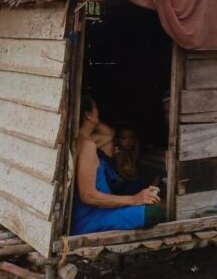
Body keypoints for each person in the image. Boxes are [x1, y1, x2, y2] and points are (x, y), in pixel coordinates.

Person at [70, 95, 164, 234]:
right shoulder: (87, 145)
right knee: (155, 211)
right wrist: (134, 199)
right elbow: (87, 195)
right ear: (88, 114)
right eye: (95, 108)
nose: (98, 111)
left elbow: (110, 134)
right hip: (93, 218)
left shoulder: (78, 139)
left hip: (95, 212)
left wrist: (89, 118)